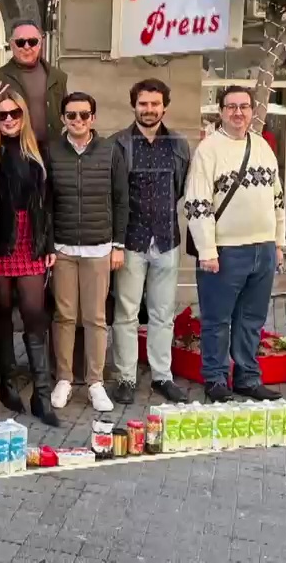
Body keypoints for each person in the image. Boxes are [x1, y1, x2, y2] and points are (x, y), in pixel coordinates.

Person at [183, 85, 286, 403]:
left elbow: (277, 198)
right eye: (231, 107)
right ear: (221, 111)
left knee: (252, 319)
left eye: (244, 107)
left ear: (253, 111)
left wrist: (279, 243)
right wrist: (207, 249)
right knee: (217, 319)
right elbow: (197, 202)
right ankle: (214, 378)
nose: (238, 113)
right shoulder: (209, 150)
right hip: (225, 251)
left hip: (263, 248)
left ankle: (247, 377)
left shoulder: (264, 148)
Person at [110, 79, 191, 404]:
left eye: (155, 104)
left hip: (167, 238)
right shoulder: (119, 144)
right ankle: (126, 378)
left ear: (165, 107)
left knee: (162, 313)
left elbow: (181, 188)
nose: (149, 109)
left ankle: (162, 376)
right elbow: (113, 195)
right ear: (134, 106)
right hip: (131, 240)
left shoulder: (178, 145)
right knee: (126, 313)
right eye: (143, 104)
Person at [47, 92, 126, 414]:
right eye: (71, 115)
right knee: (64, 316)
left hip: (98, 248)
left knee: (95, 318)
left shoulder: (110, 151)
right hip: (63, 247)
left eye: (83, 115)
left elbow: (121, 200)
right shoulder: (53, 151)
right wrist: (49, 244)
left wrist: (118, 245)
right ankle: (64, 377)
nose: (77, 121)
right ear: (64, 119)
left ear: (93, 118)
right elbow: (47, 203)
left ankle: (95, 382)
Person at [0, 90, 59, 427]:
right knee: (1, 310)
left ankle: (41, 394)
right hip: (0, 240)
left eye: (15, 113)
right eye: (3, 115)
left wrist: (49, 246)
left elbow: (49, 204)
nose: (10, 119)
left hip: (30, 239)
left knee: (33, 312)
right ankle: (8, 382)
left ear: (24, 115)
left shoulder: (38, 153)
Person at [0, 20, 67, 146]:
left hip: (52, 150)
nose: (27, 47)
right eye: (20, 42)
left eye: (32, 42)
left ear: (40, 43)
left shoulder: (58, 77)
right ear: (11, 44)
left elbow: (66, 113)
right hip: (14, 150)